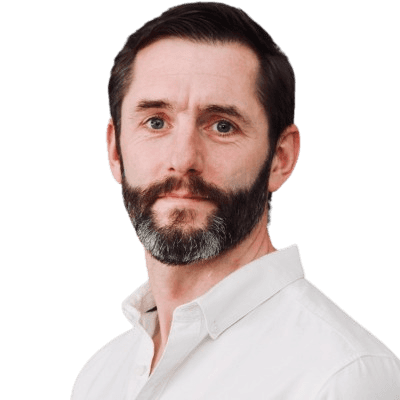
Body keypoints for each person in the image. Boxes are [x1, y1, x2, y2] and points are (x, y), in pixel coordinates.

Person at [71, 2, 400, 399]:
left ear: (280, 158)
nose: (183, 159)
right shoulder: (100, 376)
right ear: (114, 150)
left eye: (222, 126)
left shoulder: (341, 377)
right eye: (156, 122)